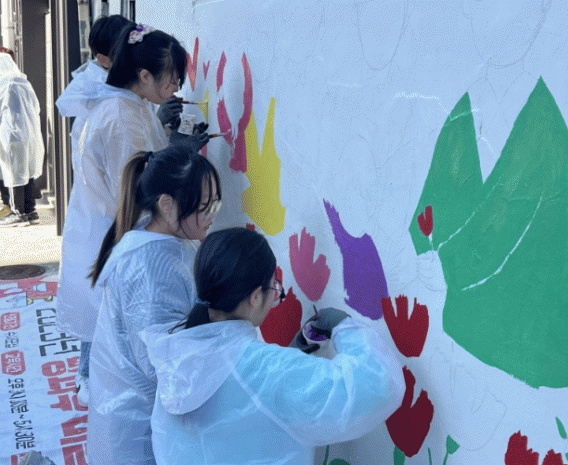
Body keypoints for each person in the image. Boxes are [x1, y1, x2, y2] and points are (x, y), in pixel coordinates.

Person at [140, 228, 406, 465]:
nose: (275, 297)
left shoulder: (179, 357)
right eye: (274, 288)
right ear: (256, 297)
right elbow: (377, 388)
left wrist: (289, 360)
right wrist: (344, 327)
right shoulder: (269, 370)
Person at [55, 23, 209, 407]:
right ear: (143, 75)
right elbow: (138, 190)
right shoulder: (121, 116)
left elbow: (141, 162)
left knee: (110, 332)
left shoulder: (128, 104)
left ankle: (98, 387)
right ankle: (98, 390)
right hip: (115, 232)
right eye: (172, 77)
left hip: (107, 229)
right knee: (119, 341)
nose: (177, 85)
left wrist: (169, 139)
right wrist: (182, 154)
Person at [87, 144, 221, 465]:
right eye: (204, 206)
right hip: (136, 426)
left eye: (216, 203)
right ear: (166, 204)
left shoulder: (159, 238)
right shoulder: (152, 269)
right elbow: (160, 366)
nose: (212, 215)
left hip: (129, 411)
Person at [55, 15, 133, 167]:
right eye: (126, 52)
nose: (135, 56)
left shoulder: (113, 86)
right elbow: (125, 156)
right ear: (104, 60)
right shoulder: (101, 97)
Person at [0, 47, 45, 227]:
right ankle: (30, 211)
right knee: (26, 173)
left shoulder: (4, 85)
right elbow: (36, 107)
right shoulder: (24, 82)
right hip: (29, 135)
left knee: (12, 175)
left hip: (10, 136)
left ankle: (16, 212)